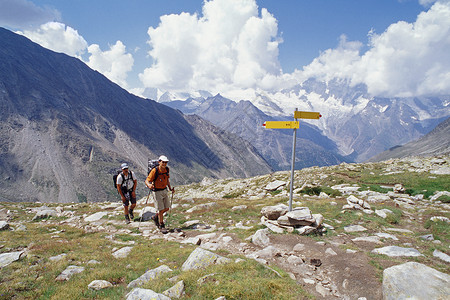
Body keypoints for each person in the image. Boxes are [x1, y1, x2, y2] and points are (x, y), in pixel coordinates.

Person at [145, 155, 174, 230]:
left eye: (166, 162)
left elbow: (167, 180)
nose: (164, 164)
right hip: (157, 191)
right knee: (161, 210)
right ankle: (161, 225)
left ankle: (155, 217)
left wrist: (170, 188)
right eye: (163, 162)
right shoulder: (155, 170)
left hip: (164, 190)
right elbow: (147, 180)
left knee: (167, 208)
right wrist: (149, 185)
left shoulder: (166, 170)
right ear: (159, 162)